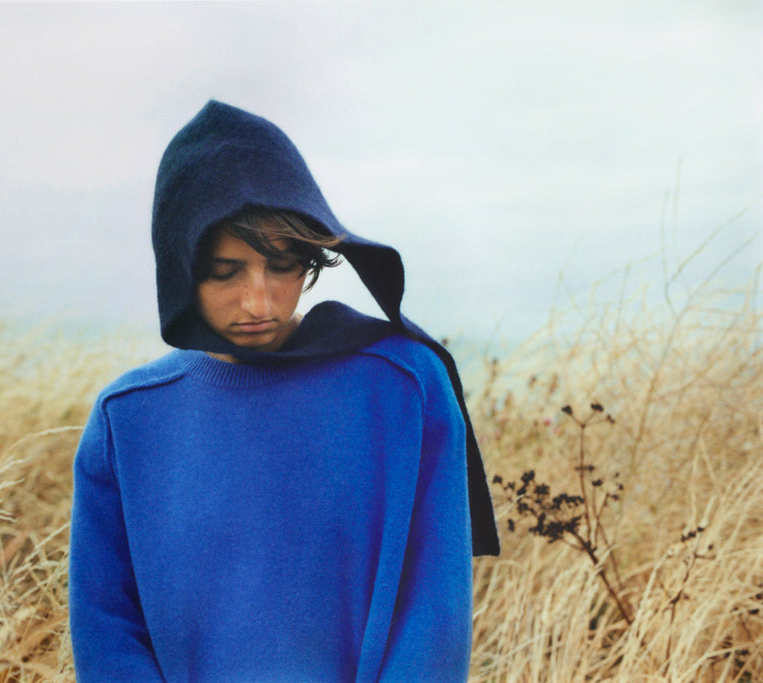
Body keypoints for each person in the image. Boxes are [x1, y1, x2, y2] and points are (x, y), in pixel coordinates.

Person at [69, 100, 499, 682]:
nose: (259, 302)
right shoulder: (129, 420)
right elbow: (106, 627)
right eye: (225, 271)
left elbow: (435, 608)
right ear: (179, 266)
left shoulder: (404, 387)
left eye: (283, 266)